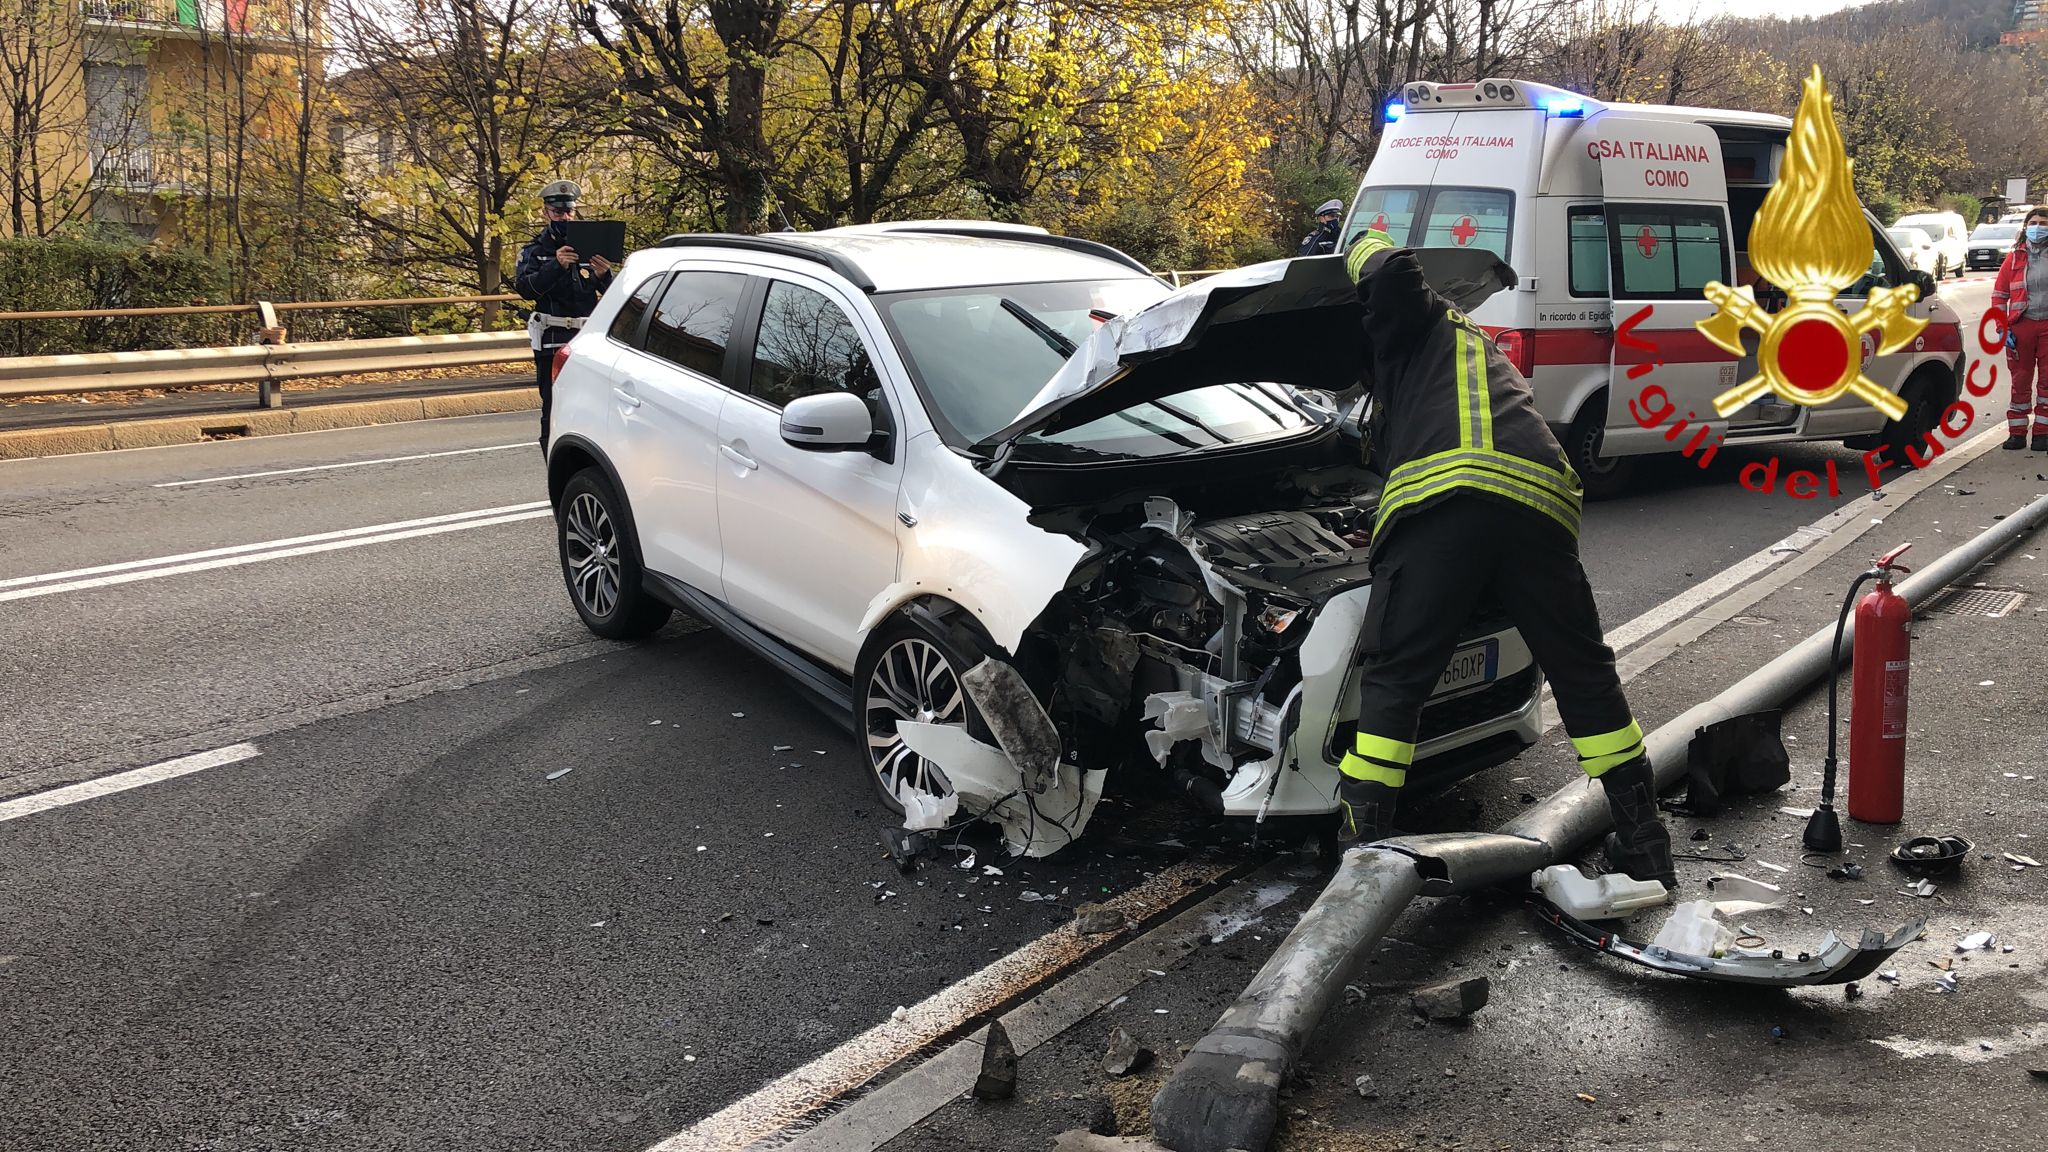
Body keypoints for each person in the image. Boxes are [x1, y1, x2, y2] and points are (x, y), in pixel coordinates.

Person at [1331, 229, 1678, 890]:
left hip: (1460, 498)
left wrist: (1360, 241)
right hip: (1540, 505)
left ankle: (1360, 862)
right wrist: (1383, 524)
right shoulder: (1459, 359)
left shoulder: (1424, 316)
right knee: (1584, 674)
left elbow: (1396, 274)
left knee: (1397, 678)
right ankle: (1646, 845)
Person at [514, 179, 613, 450]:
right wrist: (556, 266)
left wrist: (605, 275)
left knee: (594, 408)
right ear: (546, 212)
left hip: (587, 339)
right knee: (554, 408)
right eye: (558, 212)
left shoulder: (591, 247)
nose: (565, 216)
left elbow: (614, 294)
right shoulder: (534, 250)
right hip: (553, 338)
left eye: (569, 211)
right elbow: (525, 289)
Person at [1990, 206, 2048, 450]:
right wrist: (2002, 327)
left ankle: (2042, 434)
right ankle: (2016, 433)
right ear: (2026, 227)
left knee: (2047, 384)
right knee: (2020, 380)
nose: (2037, 227)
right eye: (2033, 222)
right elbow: (1999, 295)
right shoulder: (2014, 258)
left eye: (2043, 223)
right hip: (2021, 325)